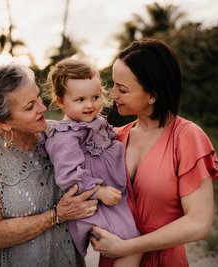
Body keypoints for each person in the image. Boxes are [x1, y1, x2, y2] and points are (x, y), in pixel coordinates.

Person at [91, 39, 218, 267]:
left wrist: (126, 247)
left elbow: (199, 223)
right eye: (113, 84)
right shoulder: (114, 137)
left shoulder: (187, 137)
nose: (111, 94)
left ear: (152, 95)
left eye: (122, 89)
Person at [0, 57, 99, 267]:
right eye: (30, 106)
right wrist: (56, 215)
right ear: (3, 121)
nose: (42, 108)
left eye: (39, 98)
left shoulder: (62, 134)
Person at [39, 58, 142, 267]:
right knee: (129, 243)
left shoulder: (97, 122)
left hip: (112, 199)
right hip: (93, 202)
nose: (90, 105)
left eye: (95, 97)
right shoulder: (64, 136)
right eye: (80, 99)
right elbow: (68, 174)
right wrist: (99, 191)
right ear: (60, 102)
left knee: (131, 242)